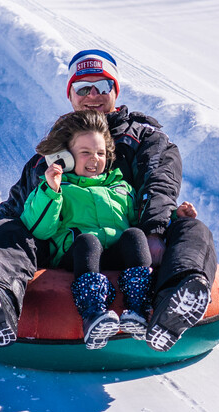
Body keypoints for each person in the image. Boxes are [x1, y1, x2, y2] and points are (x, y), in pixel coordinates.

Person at [0, 49, 217, 352]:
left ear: (115, 91)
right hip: (71, 248)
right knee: (11, 230)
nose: (93, 95)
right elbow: (16, 205)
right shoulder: (52, 154)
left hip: (136, 245)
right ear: (71, 95)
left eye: (102, 86)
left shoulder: (145, 138)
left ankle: (174, 304)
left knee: (193, 230)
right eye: (83, 88)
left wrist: (159, 230)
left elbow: (159, 186)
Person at [23, 110, 186, 349]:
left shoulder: (120, 187)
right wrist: (51, 191)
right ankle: (93, 313)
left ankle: (139, 308)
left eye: (100, 153)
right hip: (77, 256)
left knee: (134, 235)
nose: (94, 159)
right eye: (85, 152)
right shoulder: (60, 188)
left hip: (114, 255)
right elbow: (39, 229)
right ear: (65, 157)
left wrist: (174, 217)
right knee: (88, 241)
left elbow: (139, 217)